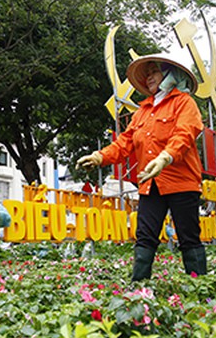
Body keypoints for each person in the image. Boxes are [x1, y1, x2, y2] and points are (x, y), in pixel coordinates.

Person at [77, 54, 207, 281]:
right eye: (147, 74)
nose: (148, 78)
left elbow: (185, 134)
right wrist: (99, 156)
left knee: (188, 237)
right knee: (145, 236)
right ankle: (138, 290)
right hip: (150, 183)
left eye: (154, 72)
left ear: (169, 74)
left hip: (181, 182)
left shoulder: (184, 103)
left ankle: (200, 287)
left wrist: (165, 157)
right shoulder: (143, 110)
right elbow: (124, 142)